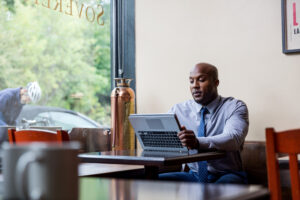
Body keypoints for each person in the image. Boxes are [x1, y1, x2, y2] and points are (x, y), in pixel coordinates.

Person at [159, 63, 249, 184]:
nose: (195, 86)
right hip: (194, 176)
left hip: (227, 174)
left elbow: (233, 139)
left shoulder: (234, 106)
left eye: (201, 80)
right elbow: (163, 135)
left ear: (216, 83)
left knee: (219, 191)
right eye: (191, 81)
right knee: (148, 182)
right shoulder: (178, 110)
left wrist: (197, 142)